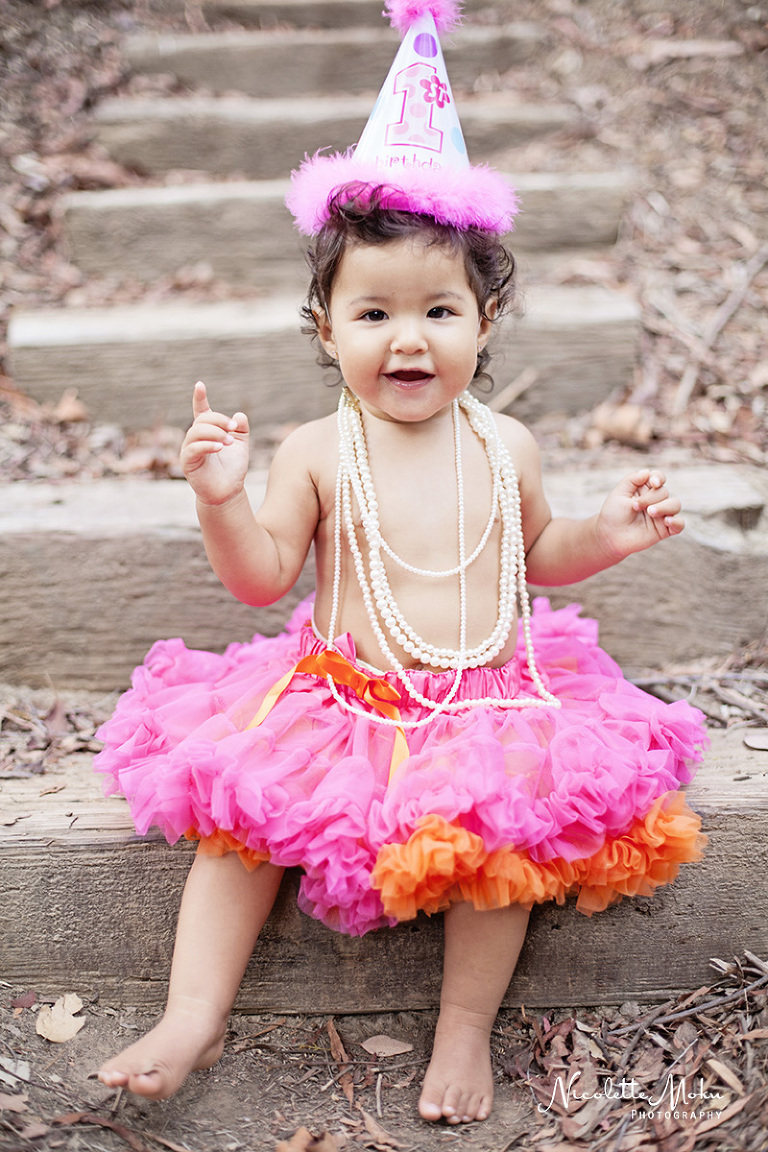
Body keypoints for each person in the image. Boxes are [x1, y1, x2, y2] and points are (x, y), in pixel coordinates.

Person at [94, 0, 707, 1126]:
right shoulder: (321, 449)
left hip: (488, 696)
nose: (408, 337)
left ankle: (462, 1029)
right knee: (243, 823)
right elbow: (260, 578)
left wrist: (609, 537)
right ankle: (192, 1012)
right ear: (324, 328)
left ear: (487, 322)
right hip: (342, 696)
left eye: (439, 309)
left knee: (506, 830)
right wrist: (220, 500)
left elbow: (536, 559)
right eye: (372, 311)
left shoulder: (505, 443)